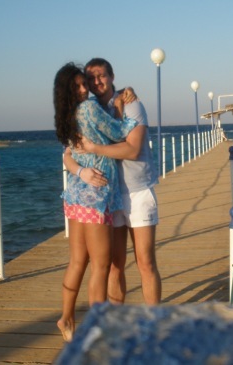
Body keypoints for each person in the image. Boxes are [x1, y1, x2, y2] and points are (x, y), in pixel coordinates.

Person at [64, 57, 162, 305]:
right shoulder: (89, 109)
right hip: (110, 195)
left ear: (111, 77)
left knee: (145, 262)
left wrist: (94, 148)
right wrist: (81, 172)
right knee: (115, 264)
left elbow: (133, 150)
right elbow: (68, 154)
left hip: (138, 191)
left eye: (101, 75)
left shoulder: (131, 104)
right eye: (91, 78)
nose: (96, 81)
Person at [53, 62, 136, 342]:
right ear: (67, 91)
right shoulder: (88, 108)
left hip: (76, 194)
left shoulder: (67, 117)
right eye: (77, 86)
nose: (84, 89)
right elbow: (118, 132)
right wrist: (122, 108)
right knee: (101, 265)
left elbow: (69, 154)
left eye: (83, 83)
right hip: (96, 196)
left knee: (78, 262)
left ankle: (66, 318)